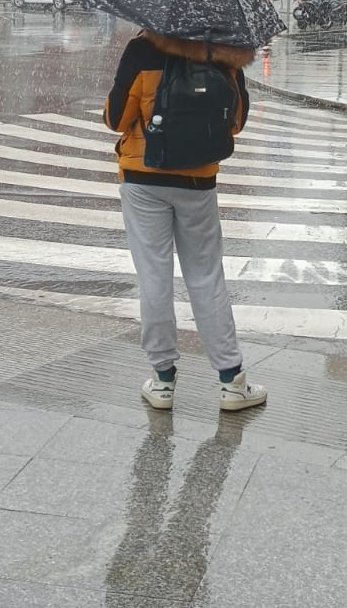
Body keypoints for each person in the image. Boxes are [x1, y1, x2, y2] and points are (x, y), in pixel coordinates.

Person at [104, 31, 267, 412]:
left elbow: (116, 118)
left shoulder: (143, 48)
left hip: (143, 177)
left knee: (154, 276)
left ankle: (162, 380)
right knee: (206, 276)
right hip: (198, 179)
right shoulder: (227, 50)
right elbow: (237, 121)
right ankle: (231, 381)